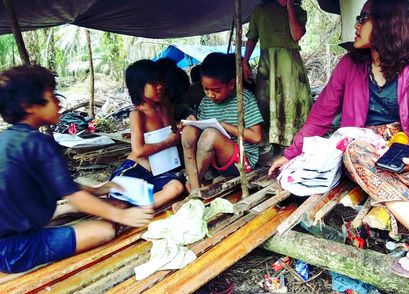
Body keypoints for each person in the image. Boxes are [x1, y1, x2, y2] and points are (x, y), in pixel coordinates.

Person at [269, 0, 409, 279]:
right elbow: (320, 116)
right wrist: (291, 153)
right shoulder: (350, 64)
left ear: (387, 23)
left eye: (363, 18)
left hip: (405, 143)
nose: (356, 25)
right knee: (356, 151)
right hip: (360, 142)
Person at [0, 65, 153, 273]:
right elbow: (73, 195)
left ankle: (67, 212)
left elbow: (60, 184)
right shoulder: (40, 144)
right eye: (52, 96)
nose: (59, 102)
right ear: (28, 105)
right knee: (104, 230)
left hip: (9, 232)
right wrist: (122, 217)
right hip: (13, 250)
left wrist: (99, 190)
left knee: (90, 205)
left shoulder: (7, 140)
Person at [242, 0, 311, 156]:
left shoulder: (300, 12)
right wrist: (245, 61)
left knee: (292, 103)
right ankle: (269, 148)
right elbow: (252, 37)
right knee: (266, 102)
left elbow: (296, 35)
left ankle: (293, 147)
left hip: (291, 66)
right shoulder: (260, 11)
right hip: (268, 66)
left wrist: (290, 8)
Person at [181, 53, 263, 191]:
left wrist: (224, 126)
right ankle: (195, 186)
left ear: (231, 84)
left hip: (241, 161)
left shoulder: (245, 99)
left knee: (211, 134)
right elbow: (201, 137)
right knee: (188, 131)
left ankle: (193, 185)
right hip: (215, 160)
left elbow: (256, 137)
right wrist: (192, 123)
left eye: (216, 90)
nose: (210, 95)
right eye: (205, 89)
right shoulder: (205, 102)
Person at [110, 60, 185, 209]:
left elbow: (173, 133)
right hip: (136, 171)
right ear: (138, 87)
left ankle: (135, 209)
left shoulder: (165, 106)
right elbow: (139, 150)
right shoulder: (137, 115)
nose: (160, 86)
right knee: (119, 202)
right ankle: (125, 209)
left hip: (162, 174)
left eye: (161, 81)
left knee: (177, 187)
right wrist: (168, 142)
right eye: (153, 83)